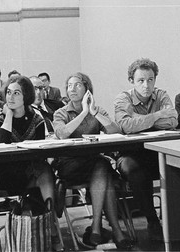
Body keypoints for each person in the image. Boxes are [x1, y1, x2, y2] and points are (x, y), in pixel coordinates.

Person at [53, 72, 133, 249]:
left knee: (104, 171)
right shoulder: (61, 112)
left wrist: (94, 112)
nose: (72, 89)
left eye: (77, 85)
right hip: (69, 165)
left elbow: (115, 132)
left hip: (95, 164)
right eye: (69, 86)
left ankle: (100, 229)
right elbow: (62, 133)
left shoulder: (97, 110)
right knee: (103, 167)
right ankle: (110, 229)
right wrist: (83, 112)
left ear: (87, 89)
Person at [0, 75, 61, 250]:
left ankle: (49, 217)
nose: (10, 97)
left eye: (16, 93)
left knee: (43, 168)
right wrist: (8, 115)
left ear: (26, 97)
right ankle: (50, 224)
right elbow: (2, 141)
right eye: (8, 92)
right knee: (43, 172)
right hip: (7, 176)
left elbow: (39, 153)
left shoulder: (36, 120)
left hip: (32, 173)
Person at [114, 58, 177, 241]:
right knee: (135, 171)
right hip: (129, 154)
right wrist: (157, 116)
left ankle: (176, 220)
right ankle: (152, 221)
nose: (146, 85)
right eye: (141, 80)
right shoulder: (123, 98)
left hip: (156, 152)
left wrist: (138, 118)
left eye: (150, 80)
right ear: (131, 81)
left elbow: (172, 121)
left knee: (177, 166)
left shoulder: (162, 94)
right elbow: (125, 126)